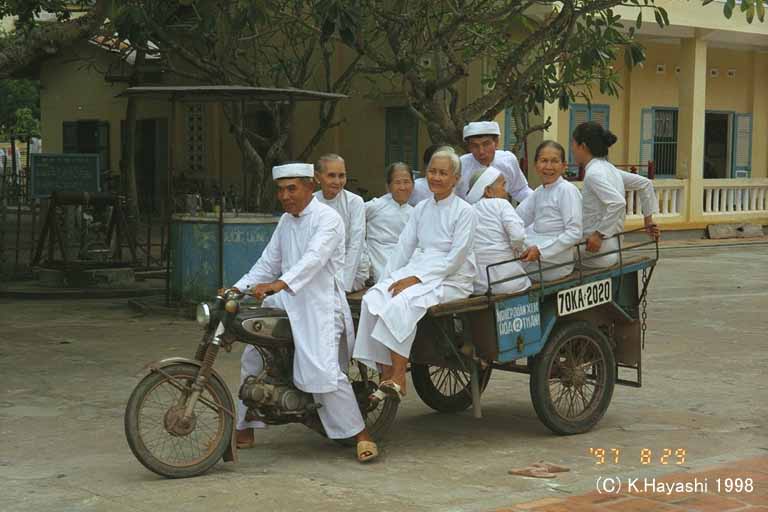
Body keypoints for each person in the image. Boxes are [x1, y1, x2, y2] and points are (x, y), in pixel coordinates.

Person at [230, 162, 377, 463]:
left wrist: (280, 283)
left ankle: (361, 434)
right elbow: (267, 262)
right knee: (253, 355)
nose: (285, 196)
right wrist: (237, 289)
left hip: (319, 305)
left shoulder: (329, 220)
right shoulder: (286, 221)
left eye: (292, 188)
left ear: (310, 187)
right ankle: (246, 427)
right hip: (286, 301)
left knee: (322, 372)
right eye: (281, 190)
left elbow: (313, 260)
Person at [353, 148, 476, 400]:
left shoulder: (465, 211)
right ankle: (385, 372)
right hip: (419, 268)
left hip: (452, 278)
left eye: (443, 173)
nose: (436, 177)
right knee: (373, 299)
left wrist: (416, 280)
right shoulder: (420, 208)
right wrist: (387, 280)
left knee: (401, 304)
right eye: (432, 171)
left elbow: (456, 258)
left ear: (455, 178)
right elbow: (403, 247)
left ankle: (399, 375)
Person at [571, 122, 660, 268]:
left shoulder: (593, 174)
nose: (572, 149)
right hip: (613, 248)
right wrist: (648, 221)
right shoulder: (609, 169)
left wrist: (598, 235)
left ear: (583, 146)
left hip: (595, 251)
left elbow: (617, 203)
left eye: (573, 144)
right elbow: (645, 184)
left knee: (550, 260)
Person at [517, 141, 583, 282]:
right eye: (544, 161)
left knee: (505, 268)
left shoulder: (567, 190)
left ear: (563, 166)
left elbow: (574, 233)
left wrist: (541, 250)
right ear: (536, 165)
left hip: (556, 261)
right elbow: (517, 220)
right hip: (536, 251)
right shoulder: (538, 192)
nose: (548, 167)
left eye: (554, 161)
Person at [465, 166, 531, 295]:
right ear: (488, 191)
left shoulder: (468, 211)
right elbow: (517, 236)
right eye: (503, 185)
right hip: (509, 280)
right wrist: (519, 249)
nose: (506, 190)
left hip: (479, 284)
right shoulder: (501, 204)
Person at [313, 154, 369, 292]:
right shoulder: (311, 202)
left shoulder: (355, 202)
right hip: (318, 267)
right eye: (331, 175)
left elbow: (356, 244)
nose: (337, 181)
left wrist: (344, 285)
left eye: (341, 176)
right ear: (317, 177)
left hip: (351, 269)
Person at [456, 121, 533, 203]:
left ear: (496, 142)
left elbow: (520, 190)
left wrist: (538, 202)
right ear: (469, 147)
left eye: (486, 144)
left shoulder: (508, 160)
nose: (481, 151)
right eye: (475, 146)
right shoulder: (460, 165)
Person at [365, 162, 415, 283]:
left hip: (405, 262)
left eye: (406, 182)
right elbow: (353, 222)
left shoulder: (415, 213)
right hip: (378, 261)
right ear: (388, 187)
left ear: (413, 185)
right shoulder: (375, 206)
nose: (402, 187)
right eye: (397, 182)